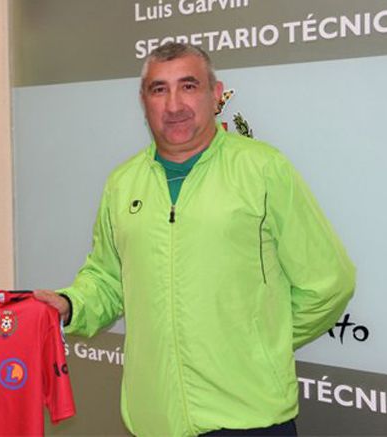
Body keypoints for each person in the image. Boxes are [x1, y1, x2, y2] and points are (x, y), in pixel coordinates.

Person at [35, 42, 355, 436]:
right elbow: (107, 278)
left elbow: (328, 281)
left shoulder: (263, 169)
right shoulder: (122, 184)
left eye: (188, 86)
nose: (174, 105)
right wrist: (70, 305)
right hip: (154, 421)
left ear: (215, 94)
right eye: (159, 89)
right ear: (143, 101)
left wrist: (258, 347)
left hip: (249, 419)